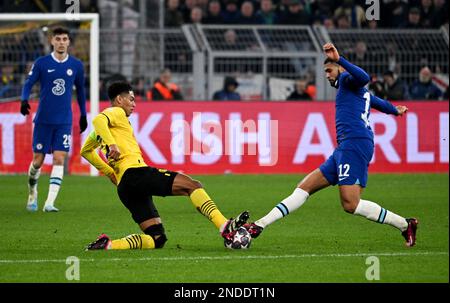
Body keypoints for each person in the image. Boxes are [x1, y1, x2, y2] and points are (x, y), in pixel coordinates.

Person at [246, 43, 419, 247]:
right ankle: (259, 225)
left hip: (355, 145)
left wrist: (340, 59)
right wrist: (394, 110)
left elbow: (364, 78)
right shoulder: (357, 92)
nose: (327, 75)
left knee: (350, 204)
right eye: (325, 71)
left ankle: (404, 224)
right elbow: (376, 101)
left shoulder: (347, 80)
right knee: (304, 188)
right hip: (345, 147)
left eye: (330, 70)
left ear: (341, 69)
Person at [81, 82, 248, 250]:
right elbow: (98, 119)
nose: (134, 104)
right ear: (119, 99)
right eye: (131, 99)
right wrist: (113, 146)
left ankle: (109, 245)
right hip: (136, 173)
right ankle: (224, 225)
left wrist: (110, 172)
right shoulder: (116, 112)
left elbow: (85, 151)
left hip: (125, 187)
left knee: (157, 238)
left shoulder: (101, 132)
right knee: (192, 185)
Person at [20, 27, 87, 212]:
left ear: (69, 42)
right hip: (43, 120)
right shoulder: (42, 63)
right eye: (58, 39)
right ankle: (32, 191)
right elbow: (28, 83)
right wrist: (24, 100)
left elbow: (81, 91)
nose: (61, 42)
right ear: (52, 41)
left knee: (59, 158)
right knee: (38, 161)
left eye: (65, 39)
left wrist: (83, 115)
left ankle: (49, 203)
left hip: (64, 120)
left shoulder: (76, 65)